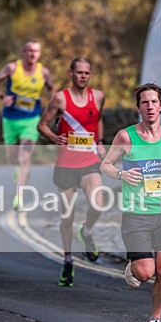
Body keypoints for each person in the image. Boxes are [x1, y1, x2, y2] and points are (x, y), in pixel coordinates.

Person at [100, 83, 161, 322]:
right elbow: (104, 165)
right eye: (145, 102)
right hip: (137, 214)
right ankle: (134, 266)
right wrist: (121, 173)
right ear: (139, 107)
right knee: (145, 273)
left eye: (154, 102)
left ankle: (155, 321)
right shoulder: (126, 137)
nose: (150, 106)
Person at [38, 58, 106, 287]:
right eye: (79, 72)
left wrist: (101, 141)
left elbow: (98, 119)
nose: (83, 76)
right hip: (66, 164)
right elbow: (42, 124)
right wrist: (54, 137)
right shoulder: (60, 99)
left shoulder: (98, 96)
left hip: (89, 161)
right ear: (71, 74)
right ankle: (67, 260)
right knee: (67, 216)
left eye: (87, 72)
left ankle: (86, 232)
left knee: (98, 202)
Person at [0, 40, 54, 208]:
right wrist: (2, 97)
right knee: (13, 158)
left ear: (39, 54)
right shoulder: (12, 68)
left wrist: (49, 103)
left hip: (31, 120)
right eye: (30, 51)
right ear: (23, 52)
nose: (33, 54)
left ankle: (19, 196)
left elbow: (52, 89)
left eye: (36, 51)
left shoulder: (44, 72)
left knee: (24, 156)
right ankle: (20, 170)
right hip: (10, 119)